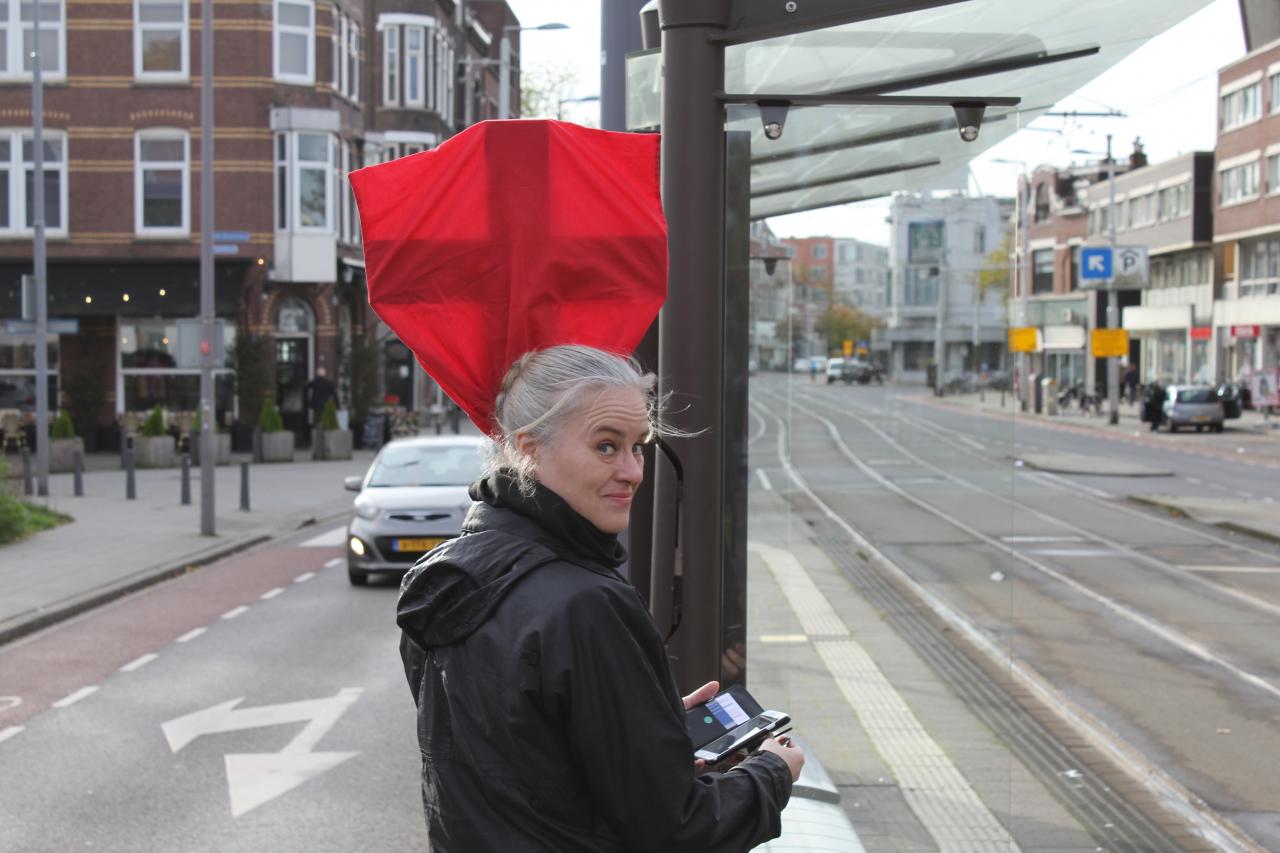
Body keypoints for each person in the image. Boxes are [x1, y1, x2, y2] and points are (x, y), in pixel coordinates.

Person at [397, 345, 802, 852]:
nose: (632, 471)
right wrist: (773, 772)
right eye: (606, 447)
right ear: (528, 449)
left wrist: (637, 723)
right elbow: (677, 831)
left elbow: (512, 760)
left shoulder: (445, 578)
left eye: (638, 447)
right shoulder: (586, 604)